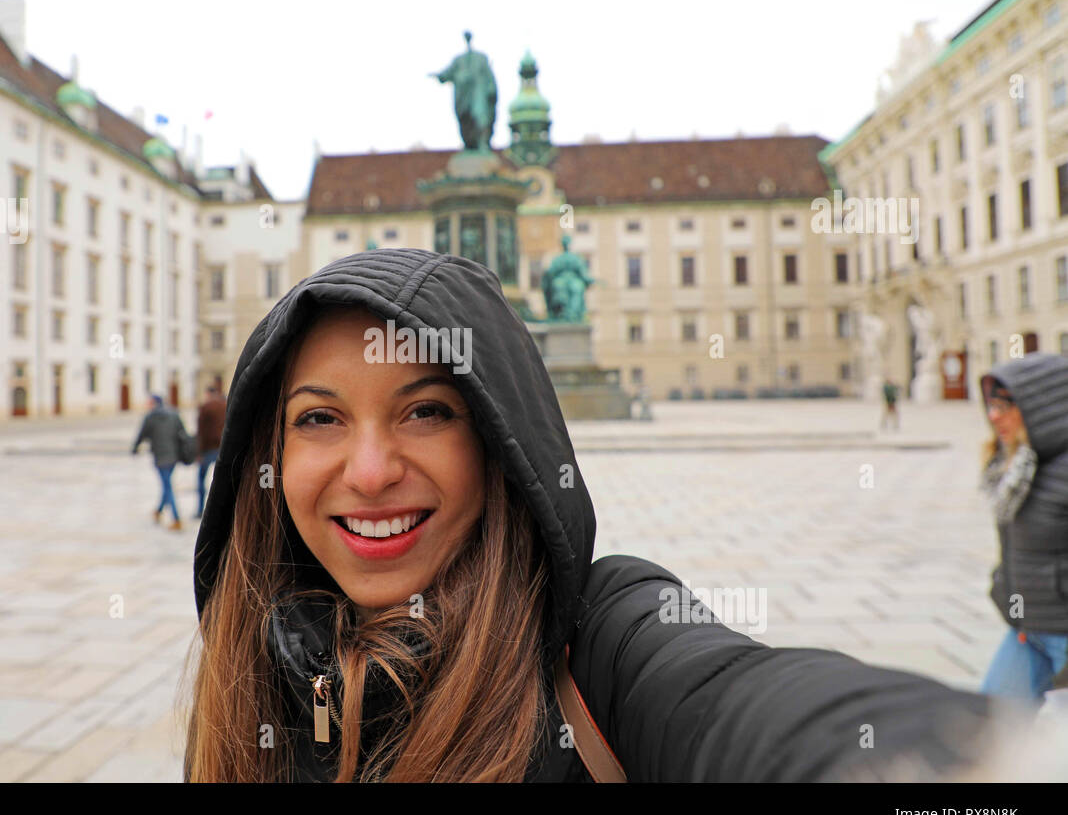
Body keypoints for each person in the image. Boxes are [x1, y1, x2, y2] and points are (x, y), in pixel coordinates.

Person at [185, 248, 1018, 782]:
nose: (369, 473)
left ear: (498, 443)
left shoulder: (603, 641)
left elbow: (743, 703)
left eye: (427, 411)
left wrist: (969, 774)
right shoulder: (243, 675)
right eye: (320, 418)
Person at [978, 353, 1068, 705]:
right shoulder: (1016, 466)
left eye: (1005, 405)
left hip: (1063, 632)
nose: (994, 416)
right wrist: (1003, 589)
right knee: (988, 736)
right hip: (1027, 632)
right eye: (990, 405)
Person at [132, 393, 187, 531]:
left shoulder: (150, 417)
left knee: (167, 486)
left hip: (160, 456)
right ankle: (158, 511)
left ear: (154, 403)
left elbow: (141, 434)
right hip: (173, 456)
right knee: (166, 483)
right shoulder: (174, 415)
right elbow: (183, 433)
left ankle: (176, 519)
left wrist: (134, 448)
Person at [196, 383, 227, 519]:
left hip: (208, 449)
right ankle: (223, 510)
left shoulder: (205, 407)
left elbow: (201, 432)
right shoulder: (225, 405)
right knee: (223, 480)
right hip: (223, 447)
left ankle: (200, 509)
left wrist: (199, 452)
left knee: (201, 479)